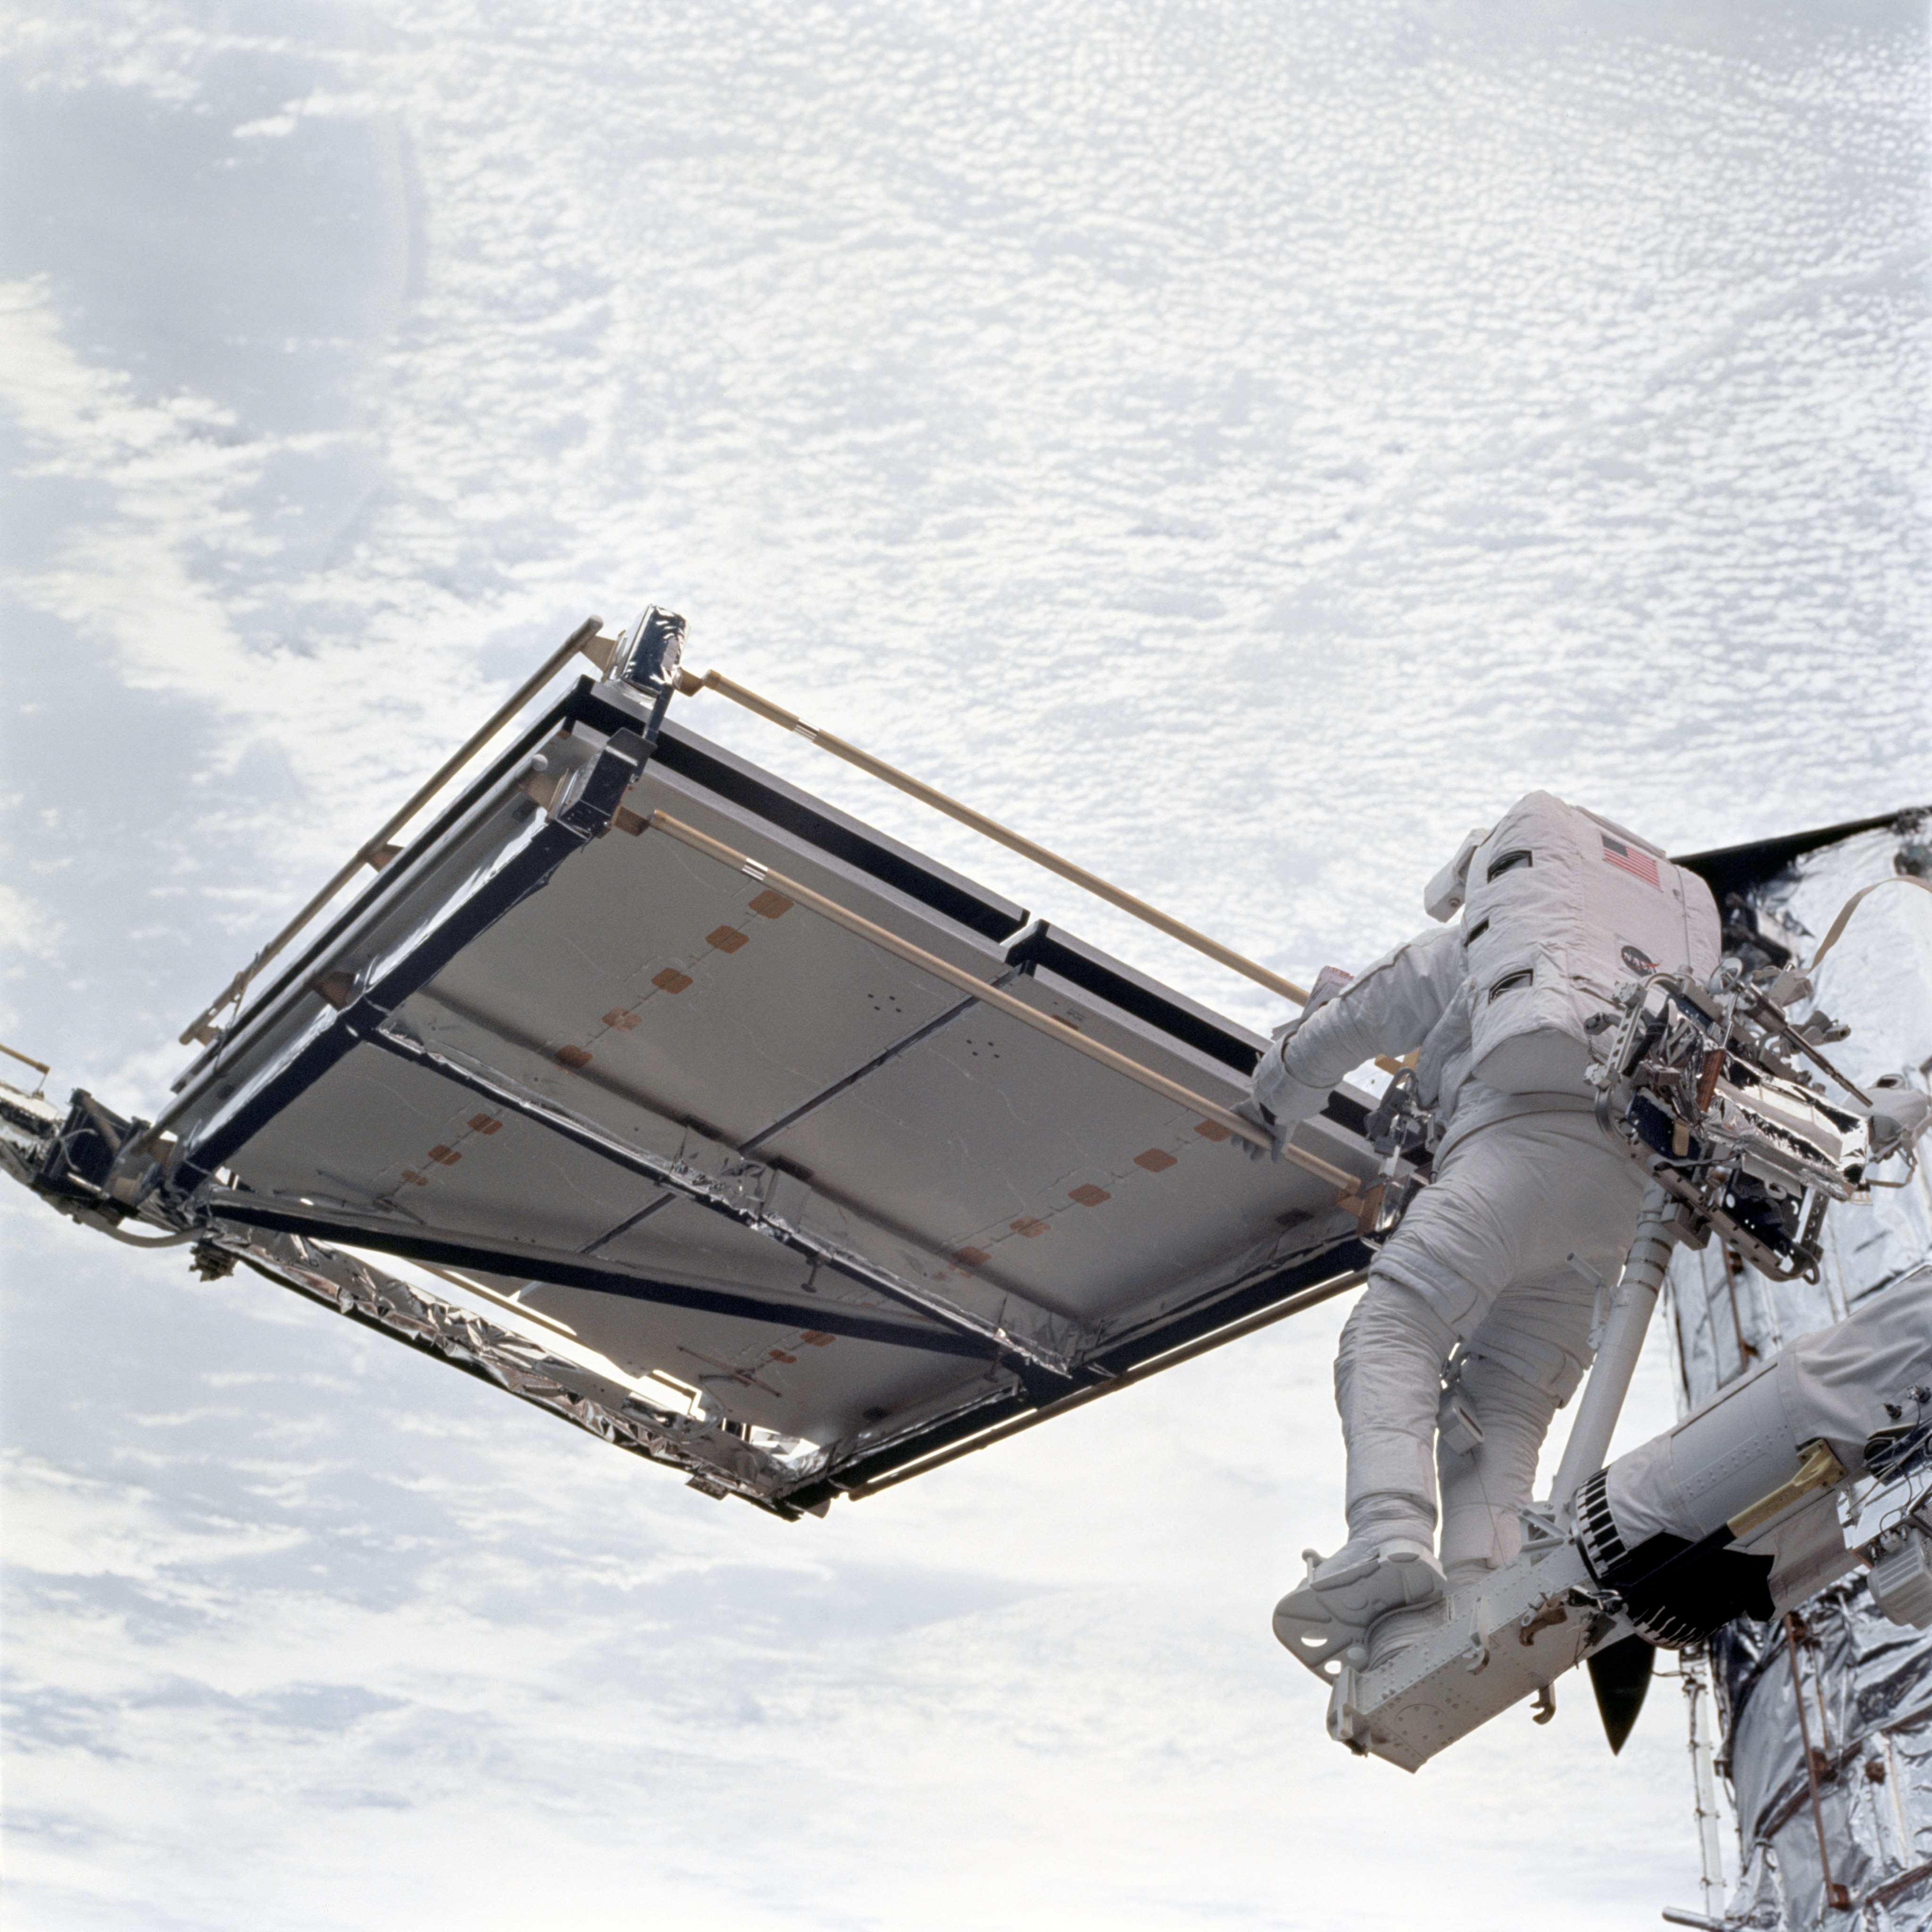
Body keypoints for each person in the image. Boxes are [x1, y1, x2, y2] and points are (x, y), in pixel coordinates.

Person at [1244, 792, 1722, 1673]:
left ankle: (1389, 1535)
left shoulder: (1484, 949)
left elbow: (1356, 1018)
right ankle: (1486, 1586)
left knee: (1396, 1328)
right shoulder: (1654, 989)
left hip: (1513, 1160)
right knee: (1498, 1406)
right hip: (1614, 1210)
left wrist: (1275, 1091)